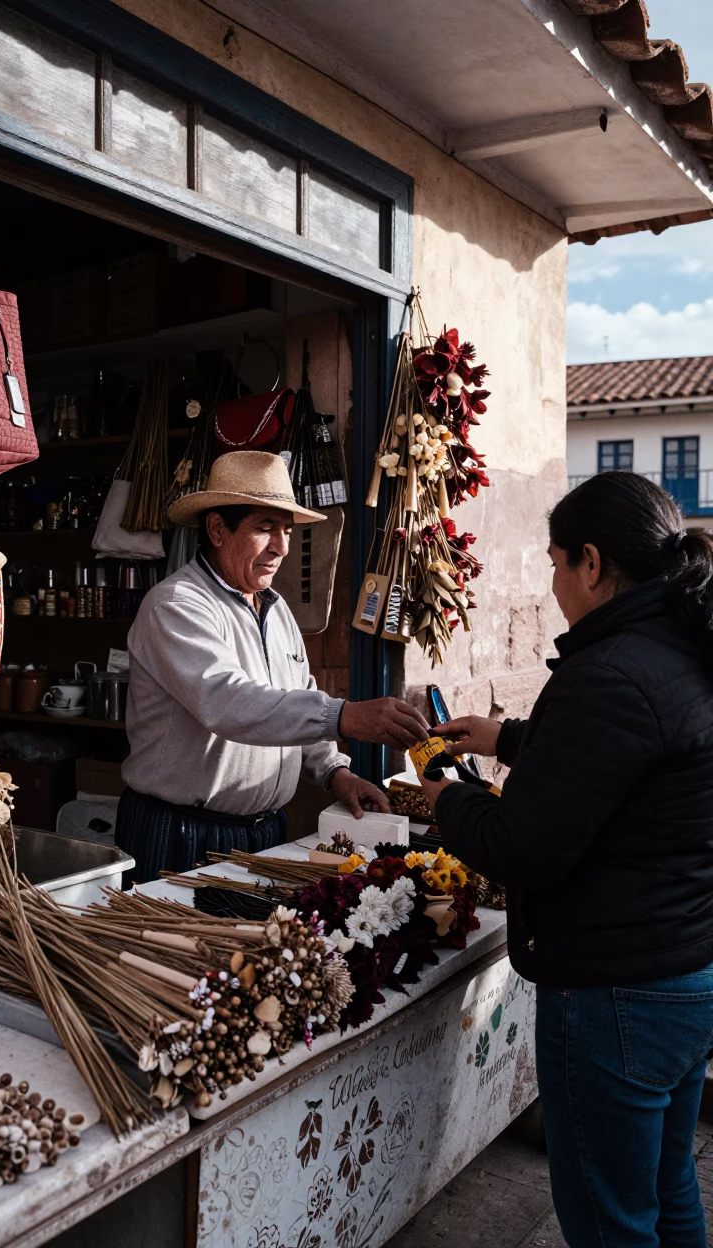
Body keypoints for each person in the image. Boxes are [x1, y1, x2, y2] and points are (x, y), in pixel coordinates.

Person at [421, 471, 713, 1248]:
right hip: (682, 970)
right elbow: (629, 761)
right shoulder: (679, 643)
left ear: (591, 562)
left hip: (619, 991)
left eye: (554, 563)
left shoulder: (612, 670)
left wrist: (441, 796)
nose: (551, 583)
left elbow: (522, 846)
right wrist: (507, 737)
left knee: (611, 1221)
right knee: (666, 1184)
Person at [116, 450, 430, 880]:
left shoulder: (275, 610)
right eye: (265, 529)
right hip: (181, 833)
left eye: (286, 530)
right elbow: (228, 703)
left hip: (264, 834)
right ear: (217, 530)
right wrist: (346, 717)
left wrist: (335, 772)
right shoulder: (176, 606)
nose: (282, 547)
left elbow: (293, 701)